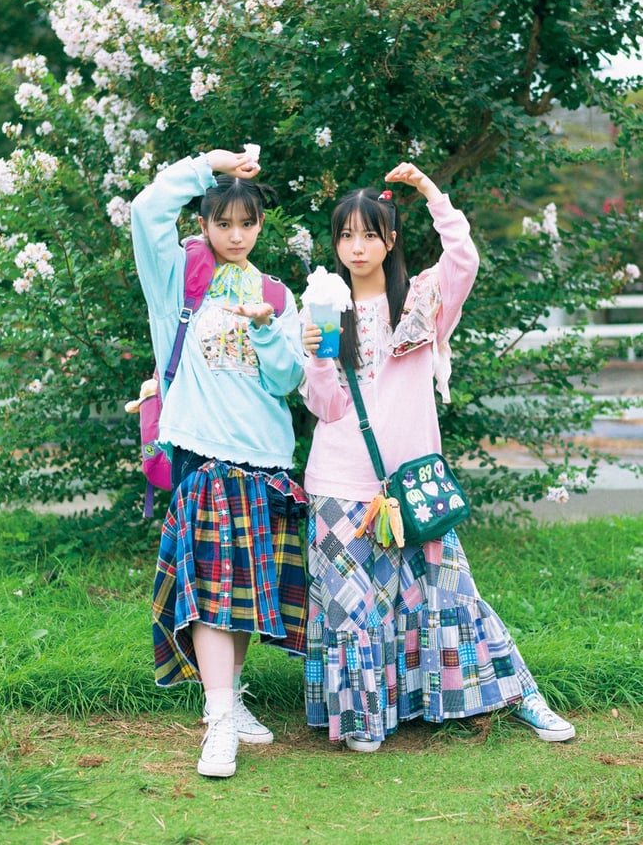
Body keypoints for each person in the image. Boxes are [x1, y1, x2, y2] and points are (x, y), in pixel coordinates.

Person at [300, 161, 575, 751]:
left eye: (369, 233)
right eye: (345, 235)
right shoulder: (322, 306)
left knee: (452, 596)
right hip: (339, 482)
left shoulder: (421, 300)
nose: (356, 247)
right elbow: (325, 406)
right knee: (354, 610)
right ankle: (363, 717)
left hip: (413, 483)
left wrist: (428, 191)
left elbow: (464, 260)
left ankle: (520, 696)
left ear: (390, 239)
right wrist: (318, 358)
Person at [131, 149, 307, 778]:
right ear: (204, 223)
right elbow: (146, 209)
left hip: (264, 458)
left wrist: (264, 327)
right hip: (201, 453)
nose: (236, 235)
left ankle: (229, 700)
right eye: (223, 223)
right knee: (210, 592)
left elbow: (288, 380)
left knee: (243, 594)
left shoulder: (276, 294)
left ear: (260, 226)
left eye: (247, 224)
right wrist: (208, 164)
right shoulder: (177, 278)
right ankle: (219, 721)